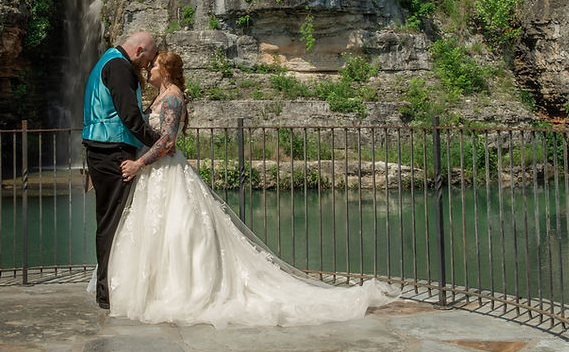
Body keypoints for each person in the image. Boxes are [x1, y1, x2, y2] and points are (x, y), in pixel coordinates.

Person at [108, 50, 398, 327]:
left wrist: (138, 165)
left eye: (155, 65)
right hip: (156, 176)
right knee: (162, 234)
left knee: (178, 232)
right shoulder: (160, 97)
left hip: (164, 173)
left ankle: (182, 291)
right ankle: (159, 289)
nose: (150, 68)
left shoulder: (171, 100)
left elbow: (168, 143)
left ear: (168, 71)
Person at [82, 31, 161, 310]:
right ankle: (107, 293)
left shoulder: (107, 59)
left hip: (101, 150)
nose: (145, 67)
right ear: (139, 50)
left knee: (110, 219)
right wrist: (160, 143)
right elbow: (130, 117)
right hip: (112, 152)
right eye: (147, 60)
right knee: (112, 222)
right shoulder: (119, 67)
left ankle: (111, 288)